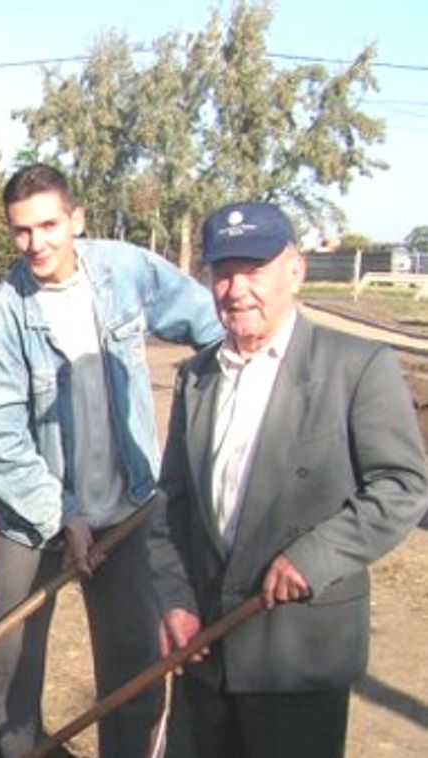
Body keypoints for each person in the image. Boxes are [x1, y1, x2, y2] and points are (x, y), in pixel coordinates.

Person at [147, 202, 428, 758]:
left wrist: (316, 557)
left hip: (298, 653)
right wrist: (175, 600)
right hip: (206, 649)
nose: (236, 289)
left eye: (254, 270)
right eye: (223, 273)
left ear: (294, 271)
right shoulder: (197, 377)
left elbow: (401, 486)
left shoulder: (356, 366)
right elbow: (170, 503)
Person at [0, 164, 223, 758]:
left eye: (50, 225)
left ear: (76, 219)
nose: (38, 244)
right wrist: (62, 514)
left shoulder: (125, 272)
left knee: (135, 668)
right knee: (11, 673)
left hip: (128, 512)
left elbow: (210, 324)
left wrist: (218, 388)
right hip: (33, 518)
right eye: (22, 231)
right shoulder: (3, 316)